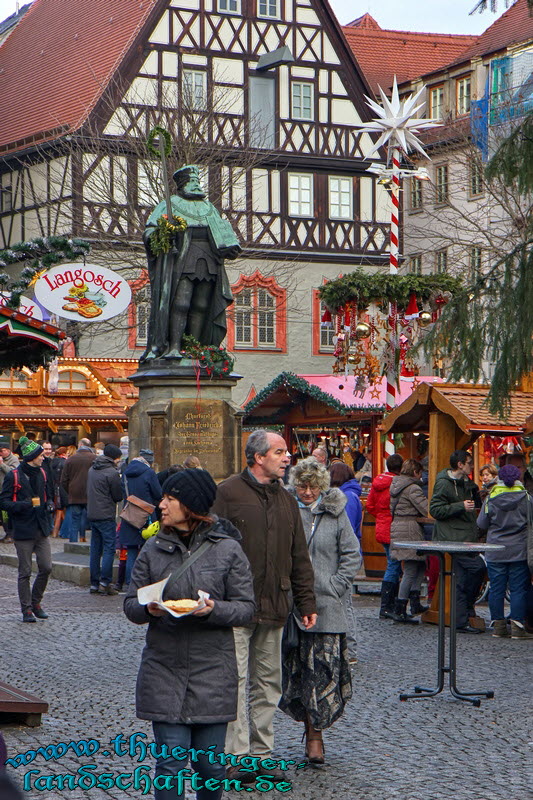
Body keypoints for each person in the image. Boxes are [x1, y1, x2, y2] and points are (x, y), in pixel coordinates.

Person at [124, 468, 255, 800]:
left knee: (209, 767)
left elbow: (246, 608)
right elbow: (130, 603)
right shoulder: (153, 548)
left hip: (212, 671)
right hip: (163, 668)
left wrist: (214, 610)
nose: (161, 505)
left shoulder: (227, 550)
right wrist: (147, 608)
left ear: (191, 505)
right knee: (170, 763)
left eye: (169, 499)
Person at [211, 429, 317, 780]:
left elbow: (299, 555)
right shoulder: (226, 493)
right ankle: (236, 757)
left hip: (275, 604)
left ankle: (261, 756)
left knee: (269, 683)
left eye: (286, 452)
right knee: (236, 681)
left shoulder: (287, 501)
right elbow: (209, 548)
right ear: (258, 457)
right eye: (280, 451)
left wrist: (306, 601)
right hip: (236, 606)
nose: (288, 458)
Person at [280, 458, 359, 762]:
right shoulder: (287, 511)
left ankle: (316, 734)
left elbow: (352, 553)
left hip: (327, 605)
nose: (308, 491)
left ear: (322, 486)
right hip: (293, 606)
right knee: (295, 673)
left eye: (313, 486)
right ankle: (307, 728)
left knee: (322, 674)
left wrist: (335, 585)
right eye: (302, 485)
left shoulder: (336, 513)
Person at [141, 164, 242, 362]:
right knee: (181, 302)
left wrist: (229, 244)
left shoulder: (208, 207)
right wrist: (163, 234)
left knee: (202, 305)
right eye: (192, 182)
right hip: (183, 259)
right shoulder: (169, 204)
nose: (196, 185)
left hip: (209, 259)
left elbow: (222, 230)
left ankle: (194, 347)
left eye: (197, 182)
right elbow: (150, 231)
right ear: (182, 185)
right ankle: (174, 347)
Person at [430, 449, 486, 634]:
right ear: (460, 464)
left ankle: (464, 616)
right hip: (453, 539)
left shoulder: (467, 483)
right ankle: (461, 618)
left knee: (466, 577)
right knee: (473, 571)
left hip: (467, 538)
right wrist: (459, 506)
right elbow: (435, 510)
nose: (472, 466)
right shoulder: (443, 484)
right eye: (469, 463)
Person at [477, 464, 533, 640]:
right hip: (519, 549)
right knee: (517, 589)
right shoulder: (526, 498)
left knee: (496, 589)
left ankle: (498, 626)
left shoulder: (491, 497)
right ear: (519, 478)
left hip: (495, 550)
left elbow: (482, 524)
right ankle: (517, 627)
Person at [0, 436, 53, 622]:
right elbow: (3, 502)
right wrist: (23, 505)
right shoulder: (13, 475)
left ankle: (36, 601)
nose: (43, 458)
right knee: (25, 571)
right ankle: (27, 609)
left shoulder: (43, 473)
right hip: (23, 530)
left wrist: (50, 505)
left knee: (46, 567)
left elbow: (50, 494)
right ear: (31, 456)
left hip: (41, 528)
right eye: (40, 455)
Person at [328, 461, 362, 661]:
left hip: (343, 556)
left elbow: (344, 531)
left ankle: (350, 650)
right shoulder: (351, 494)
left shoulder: (346, 497)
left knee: (345, 603)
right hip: (347, 554)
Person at [389, 459, 429, 624]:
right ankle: (401, 608)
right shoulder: (412, 488)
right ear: (415, 473)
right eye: (420, 473)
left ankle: (414, 602)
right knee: (411, 568)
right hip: (409, 529)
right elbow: (427, 509)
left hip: (399, 526)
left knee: (420, 565)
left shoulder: (396, 485)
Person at [366, 454, 403, 619]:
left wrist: (380, 517)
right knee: (393, 566)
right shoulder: (397, 483)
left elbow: (370, 506)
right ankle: (387, 606)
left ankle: (390, 604)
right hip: (394, 528)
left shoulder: (377, 482)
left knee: (392, 564)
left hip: (381, 526)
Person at [120, 449, 162, 586]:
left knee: (131, 550)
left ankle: (130, 582)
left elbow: (122, 492)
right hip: (146, 515)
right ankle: (144, 582)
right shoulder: (149, 473)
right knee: (148, 549)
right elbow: (157, 493)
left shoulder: (126, 472)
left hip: (130, 515)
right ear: (150, 462)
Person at [87, 444, 123, 595]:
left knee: (95, 549)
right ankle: (105, 582)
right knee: (109, 548)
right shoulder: (112, 473)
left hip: (92, 513)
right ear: (114, 458)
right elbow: (117, 496)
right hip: (106, 514)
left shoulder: (92, 469)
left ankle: (94, 583)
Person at [60, 438, 96, 543]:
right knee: (92, 519)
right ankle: (89, 541)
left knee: (75, 520)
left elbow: (64, 480)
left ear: (80, 445)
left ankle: (73, 543)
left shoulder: (70, 459)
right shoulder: (95, 458)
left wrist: (70, 490)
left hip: (74, 494)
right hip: (90, 493)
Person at [0, 437, 19, 543]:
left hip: (8, 492)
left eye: (2, 451)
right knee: (2, 516)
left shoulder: (14, 460)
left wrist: (2, 465)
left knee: (6, 514)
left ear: (8, 450)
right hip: (0, 490)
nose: (1, 453)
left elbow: (13, 473)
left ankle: (10, 534)